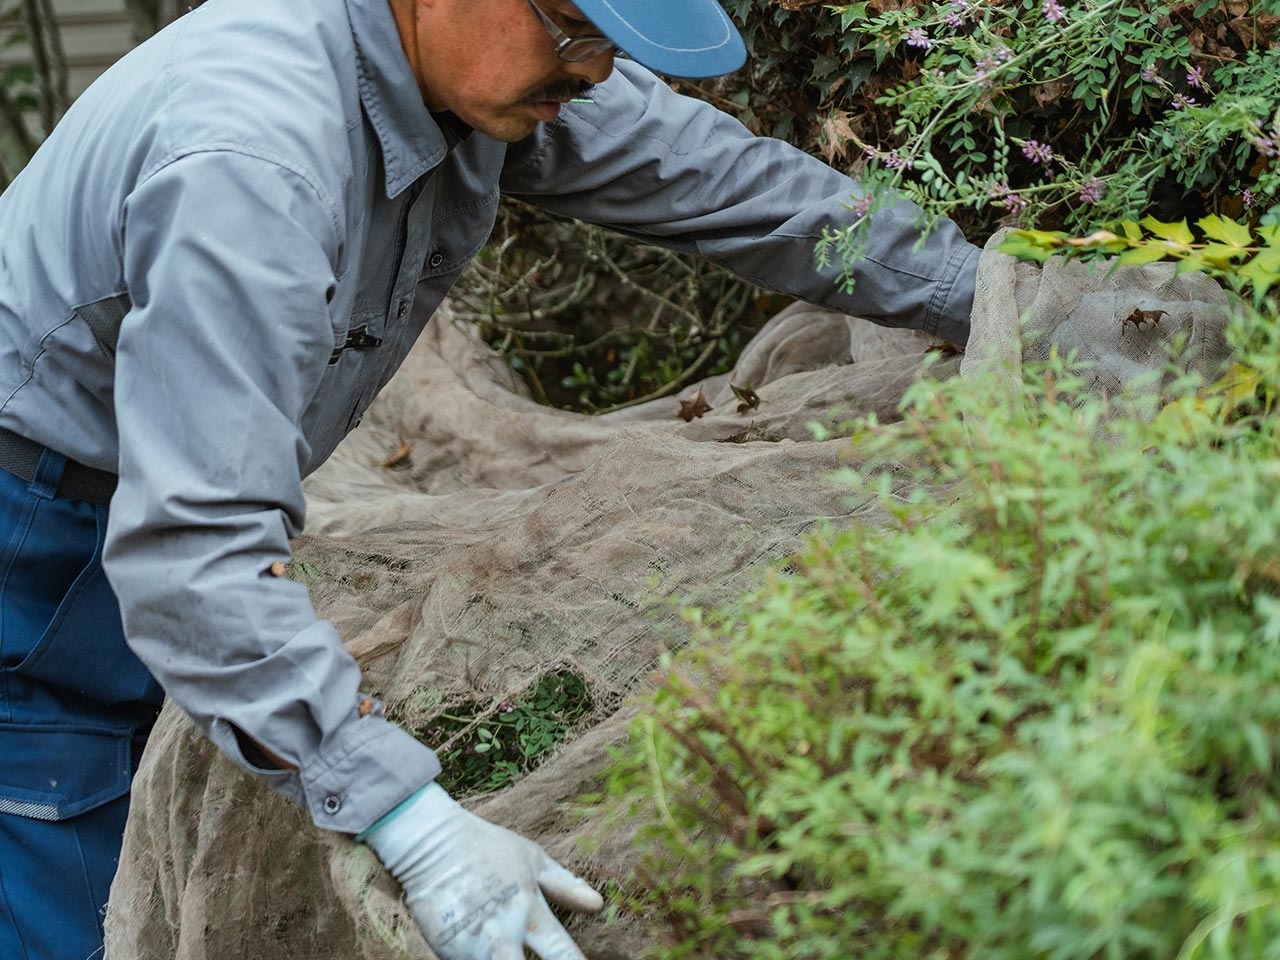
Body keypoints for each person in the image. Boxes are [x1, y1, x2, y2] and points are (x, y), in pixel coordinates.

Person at [0, 0, 980, 957]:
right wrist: (415, 825)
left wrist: (1001, 296)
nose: (593, 70)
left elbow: (729, 182)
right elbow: (193, 555)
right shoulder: (254, 159)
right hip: (28, 539)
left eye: (610, 38)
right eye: (574, 28)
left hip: (134, 502)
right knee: (68, 867)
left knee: (155, 820)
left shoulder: (469, 63)